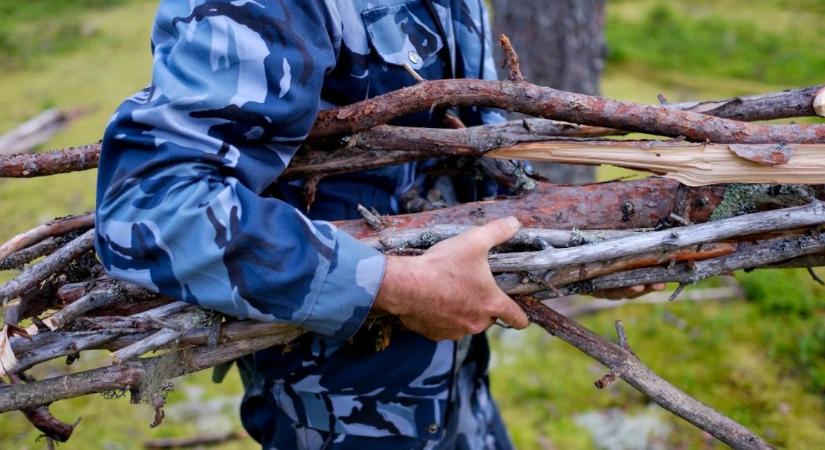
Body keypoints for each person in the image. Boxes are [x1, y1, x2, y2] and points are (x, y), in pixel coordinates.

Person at [95, 1, 661, 448]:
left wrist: (578, 254)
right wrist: (396, 286)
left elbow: (470, 156)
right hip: (336, 412)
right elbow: (153, 203)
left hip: (463, 391)